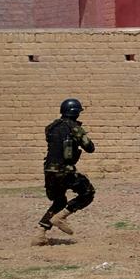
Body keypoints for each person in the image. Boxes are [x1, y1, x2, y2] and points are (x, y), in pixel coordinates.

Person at [33, 98, 95, 245]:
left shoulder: (51, 127)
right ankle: (61, 217)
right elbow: (90, 147)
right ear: (75, 113)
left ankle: (40, 234)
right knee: (88, 192)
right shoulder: (74, 128)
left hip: (49, 170)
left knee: (59, 201)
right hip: (65, 171)